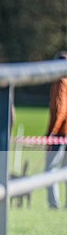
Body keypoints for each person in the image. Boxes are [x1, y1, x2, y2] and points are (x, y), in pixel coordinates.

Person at [45, 51, 67, 209]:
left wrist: (52, 133)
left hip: (60, 133)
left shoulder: (60, 81)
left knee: (51, 168)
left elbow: (59, 109)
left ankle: (54, 203)